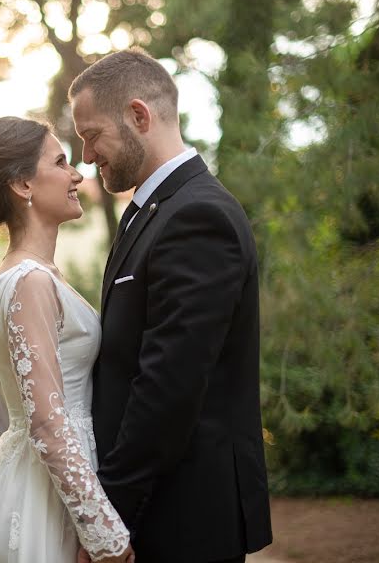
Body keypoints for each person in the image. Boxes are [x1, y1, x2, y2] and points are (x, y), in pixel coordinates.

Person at [69, 48, 273, 563]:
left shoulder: (199, 215)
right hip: (158, 505)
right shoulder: (150, 211)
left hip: (184, 515)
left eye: (92, 136)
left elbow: (168, 385)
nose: (87, 156)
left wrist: (108, 514)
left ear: (139, 115)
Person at [0, 116, 135, 563]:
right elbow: (47, 423)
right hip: (46, 500)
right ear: (23, 184)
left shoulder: (35, 276)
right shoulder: (30, 282)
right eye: (61, 162)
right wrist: (104, 535)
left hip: (53, 484)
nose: (77, 173)